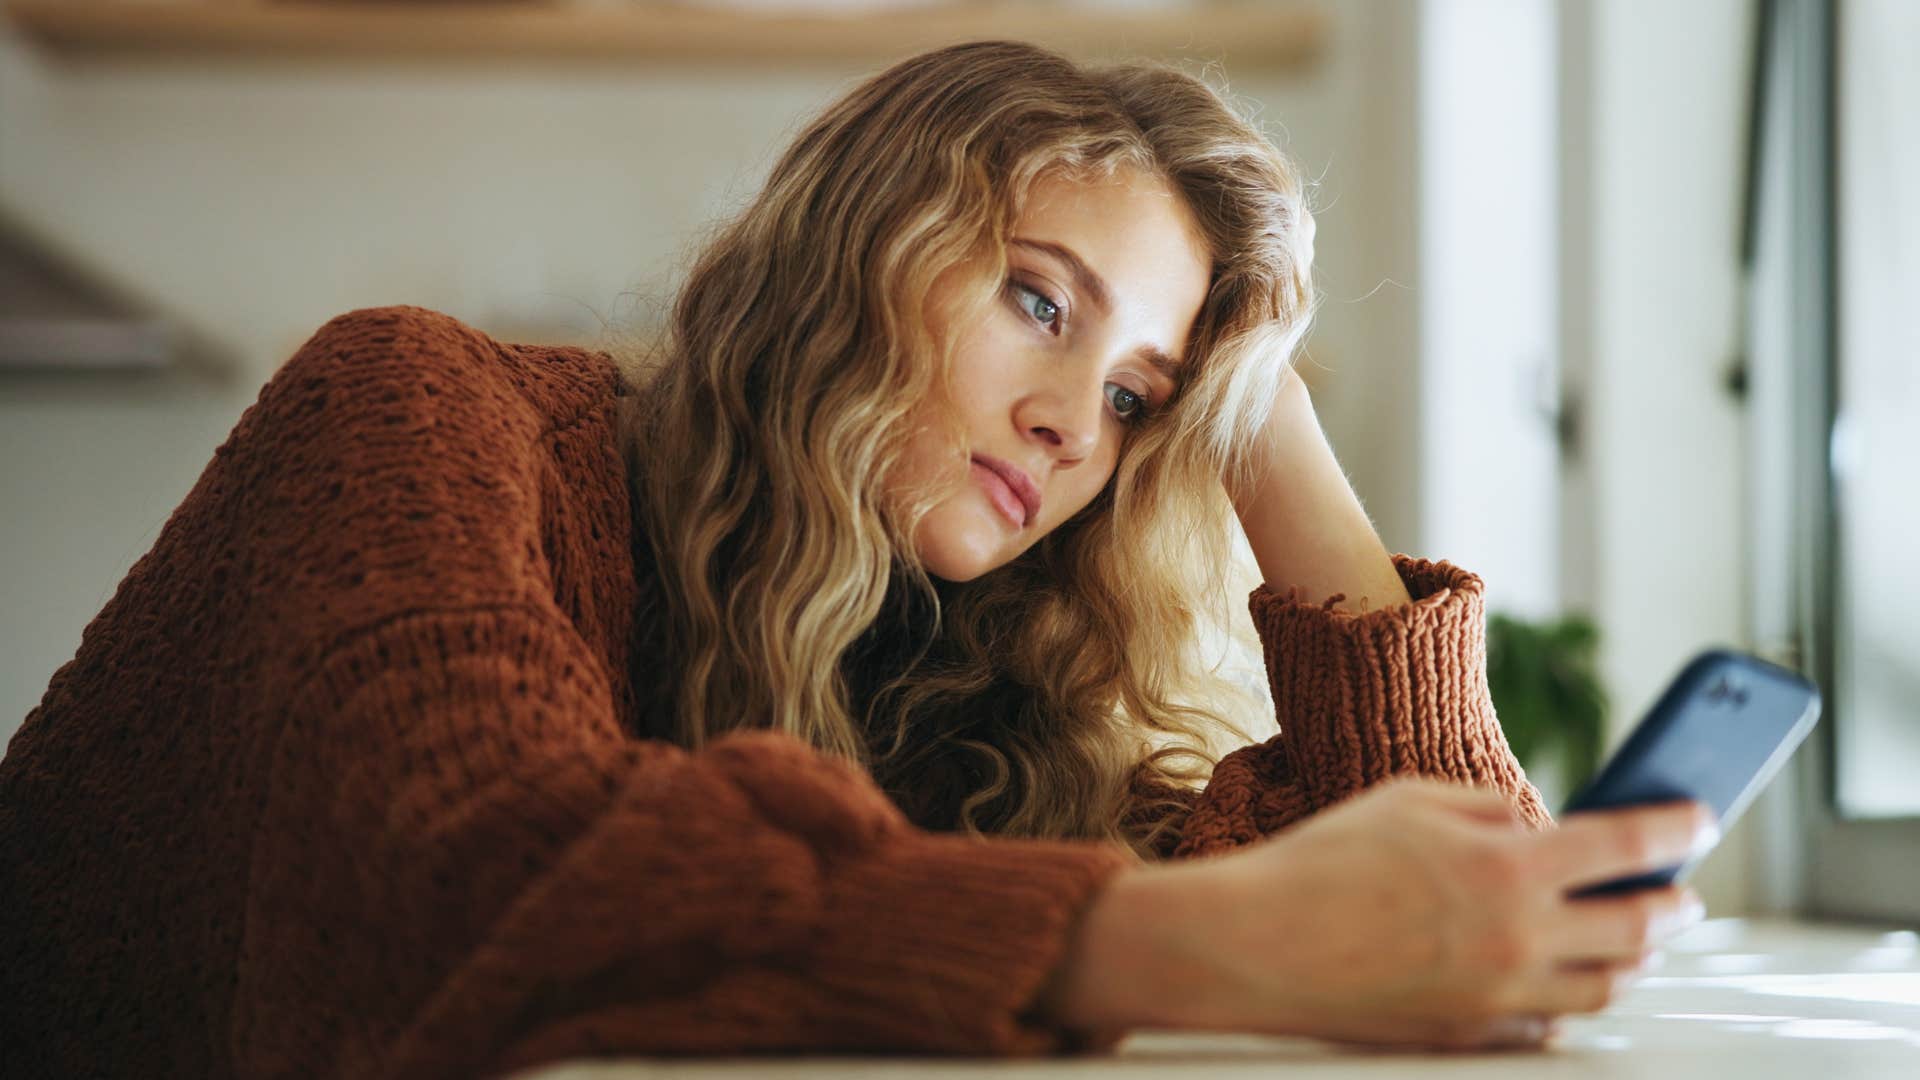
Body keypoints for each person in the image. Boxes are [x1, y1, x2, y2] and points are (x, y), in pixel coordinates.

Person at [0, 39, 1717, 1080]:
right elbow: (470, 857)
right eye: (1038, 299)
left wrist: (1252, 401)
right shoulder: (420, 404)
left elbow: (1433, 896)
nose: (1071, 427)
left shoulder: (957, 658)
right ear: (850, 251)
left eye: (1134, 397)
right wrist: (1172, 946)